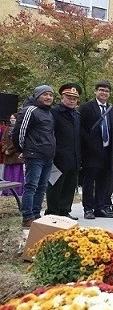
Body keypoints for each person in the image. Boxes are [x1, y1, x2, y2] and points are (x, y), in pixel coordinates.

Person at [12, 85, 56, 227]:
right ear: (37, 96)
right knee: (31, 186)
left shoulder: (48, 112)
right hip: (34, 155)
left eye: (51, 95)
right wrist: (22, 150)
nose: (48, 97)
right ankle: (27, 217)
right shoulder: (30, 110)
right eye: (45, 94)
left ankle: (37, 215)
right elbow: (19, 133)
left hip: (47, 156)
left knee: (42, 187)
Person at [79, 81, 113, 220]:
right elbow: (81, 129)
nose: (104, 93)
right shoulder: (86, 107)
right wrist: (89, 144)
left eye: (107, 91)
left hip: (108, 151)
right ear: (95, 91)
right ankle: (88, 208)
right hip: (91, 152)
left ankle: (100, 207)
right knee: (89, 181)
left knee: (104, 181)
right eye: (101, 90)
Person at [46, 83, 83, 220]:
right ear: (62, 97)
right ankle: (53, 212)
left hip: (73, 155)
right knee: (55, 185)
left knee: (69, 185)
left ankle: (65, 210)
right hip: (58, 156)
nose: (72, 100)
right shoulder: (54, 112)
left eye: (74, 98)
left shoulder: (77, 114)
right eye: (68, 97)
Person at [2, 114, 24, 196]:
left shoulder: (19, 129)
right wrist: (5, 149)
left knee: (16, 173)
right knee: (7, 173)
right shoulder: (7, 128)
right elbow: (3, 139)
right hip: (8, 155)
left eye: (14, 118)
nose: (12, 120)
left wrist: (10, 150)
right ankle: (6, 191)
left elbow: (18, 142)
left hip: (16, 154)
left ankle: (17, 191)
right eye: (11, 118)